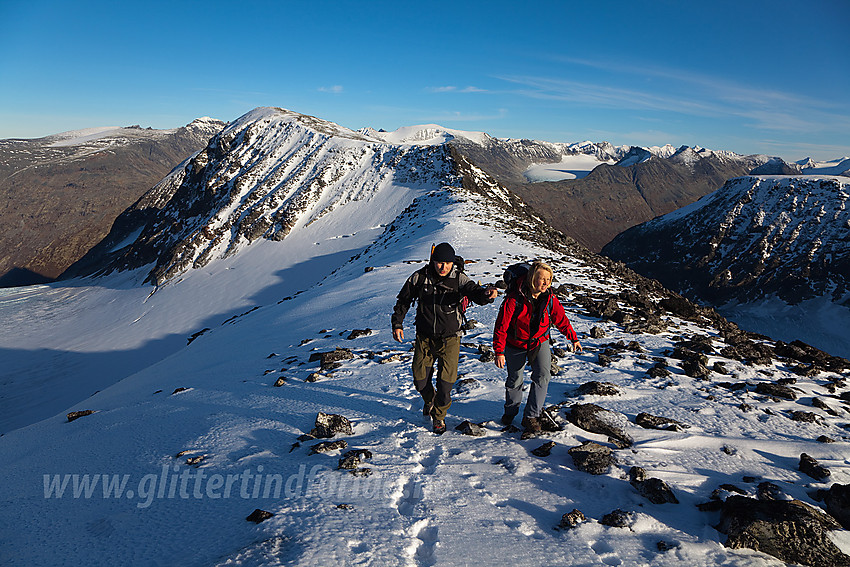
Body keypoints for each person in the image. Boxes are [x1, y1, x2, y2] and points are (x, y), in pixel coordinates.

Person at [392, 243, 498, 434]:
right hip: (424, 337)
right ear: (433, 261)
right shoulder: (419, 277)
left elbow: (474, 291)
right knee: (420, 380)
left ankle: (438, 417)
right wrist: (397, 324)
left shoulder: (458, 278)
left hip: (451, 338)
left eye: (448, 263)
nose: (444, 267)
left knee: (445, 384)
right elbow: (403, 300)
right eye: (440, 263)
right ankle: (429, 400)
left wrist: (486, 295)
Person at [493, 262, 582, 434]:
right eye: (542, 279)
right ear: (532, 278)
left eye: (548, 280)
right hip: (516, 344)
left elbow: (561, 319)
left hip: (539, 342)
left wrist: (573, 338)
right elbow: (501, 326)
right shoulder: (514, 298)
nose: (546, 283)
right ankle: (510, 412)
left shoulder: (549, 298)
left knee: (543, 376)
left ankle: (531, 416)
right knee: (515, 380)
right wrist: (499, 351)